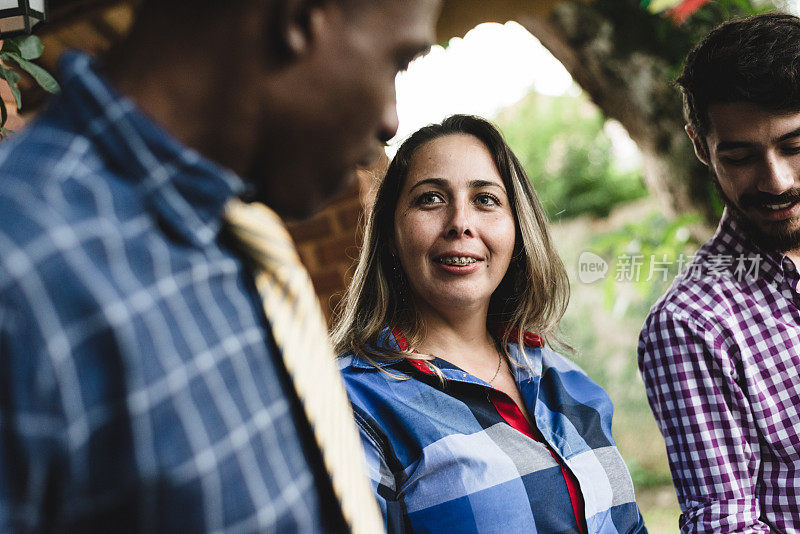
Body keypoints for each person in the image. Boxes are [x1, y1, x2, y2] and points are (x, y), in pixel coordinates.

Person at [0, 0, 440, 531]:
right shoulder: (21, 270)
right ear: (302, 19)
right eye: (398, 61)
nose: (391, 120)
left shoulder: (237, 240)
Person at [332, 115, 646, 533]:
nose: (461, 222)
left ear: (517, 227)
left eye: (486, 200)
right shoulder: (352, 403)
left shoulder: (565, 378)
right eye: (430, 199)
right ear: (390, 231)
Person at [638, 13, 800, 533]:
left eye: (795, 147)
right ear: (698, 144)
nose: (776, 181)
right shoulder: (691, 324)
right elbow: (724, 525)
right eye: (740, 156)